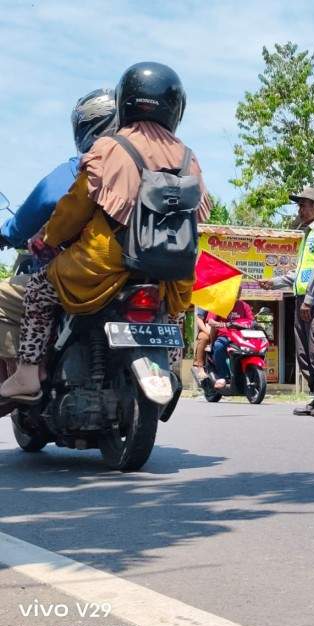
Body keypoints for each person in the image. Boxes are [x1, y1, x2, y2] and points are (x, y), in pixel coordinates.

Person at [0, 62, 211, 401]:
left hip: (104, 266)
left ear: (126, 101)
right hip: (169, 271)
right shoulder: (189, 157)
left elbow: (75, 208)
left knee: (39, 290)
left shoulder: (111, 147)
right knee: (171, 310)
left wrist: (49, 239)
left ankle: (27, 374)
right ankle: (171, 367)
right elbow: (197, 215)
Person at [0, 89, 117, 382]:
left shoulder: (80, 169)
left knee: (23, 294)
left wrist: (9, 235)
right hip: (137, 277)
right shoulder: (153, 168)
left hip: (83, 276)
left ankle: (25, 372)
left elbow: (36, 214)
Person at [259, 186, 314, 417]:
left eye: (304, 205)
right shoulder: (308, 234)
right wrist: (273, 283)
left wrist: (309, 299)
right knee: (304, 353)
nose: (300, 209)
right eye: (299, 205)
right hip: (303, 299)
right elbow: (300, 273)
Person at [205, 296, 254, 389]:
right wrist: (219, 324)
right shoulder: (219, 303)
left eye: (239, 290)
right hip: (225, 335)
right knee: (218, 346)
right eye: (236, 290)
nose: (238, 293)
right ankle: (222, 376)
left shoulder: (244, 306)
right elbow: (210, 321)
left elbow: (251, 321)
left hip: (242, 337)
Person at [192, 307, 212, 381]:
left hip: (221, 328)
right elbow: (199, 319)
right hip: (207, 329)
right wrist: (208, 332)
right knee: (204, 338)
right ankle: (199, 365)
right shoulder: (206, 302)